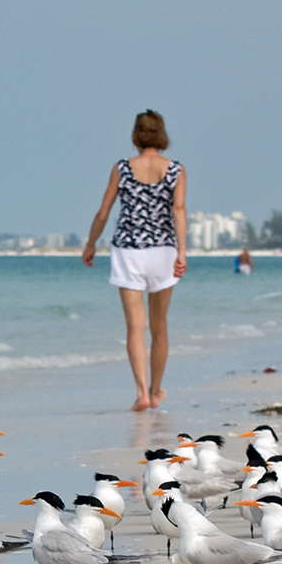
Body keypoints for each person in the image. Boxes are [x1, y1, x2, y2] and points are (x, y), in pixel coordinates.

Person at [83, 109, 187, 411]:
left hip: (128, 250)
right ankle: (156, 392)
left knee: (134, 327)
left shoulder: (122, 168)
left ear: (136, 135)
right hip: (163, 251)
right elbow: (178, 211)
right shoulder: (176, 170)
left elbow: (104, 212)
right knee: (160, 326)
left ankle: (141, 392)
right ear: (162, 134)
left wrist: (91, 244)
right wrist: (182, 252)